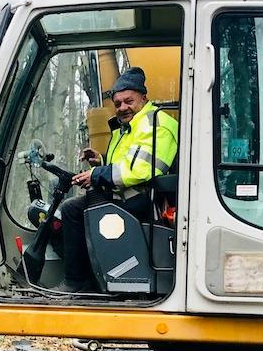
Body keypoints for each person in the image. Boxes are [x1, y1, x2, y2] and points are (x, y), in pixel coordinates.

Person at [58, 67, 178, 293]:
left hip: (144, 202)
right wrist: (99, 161)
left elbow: (142, 170)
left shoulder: (156, 125)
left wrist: (97, 175)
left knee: (73, 211)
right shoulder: (129, 127)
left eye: (128, 101)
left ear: (144, 97)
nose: (123, 107)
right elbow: (126, 163)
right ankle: (89, 279)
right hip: (127, 195)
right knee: (75, 209)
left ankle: (77, 282)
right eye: (118, 103)